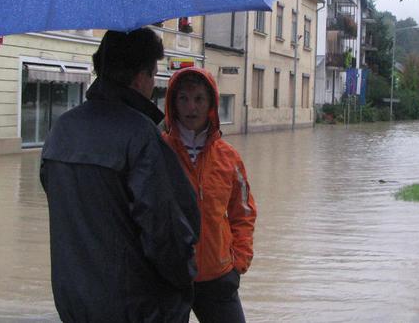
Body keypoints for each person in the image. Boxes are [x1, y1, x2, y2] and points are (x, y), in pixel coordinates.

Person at [40, 29, 200, 322]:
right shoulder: (141, 135)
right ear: (140, 77)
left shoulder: (61, 130)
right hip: (137, 309)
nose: (153, 85)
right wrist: (185, 280)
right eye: (153, 75)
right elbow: (166, 232)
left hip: (74, 303)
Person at [162, 68, 257, 323]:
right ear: (173, 102)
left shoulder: (229, 158)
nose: (191, 107)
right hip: (169, 279)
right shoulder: (157, 152)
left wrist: (238, 263)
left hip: (219, 277)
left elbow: (244, 213)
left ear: (211, 104)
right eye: (183, 98)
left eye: (199, 99)